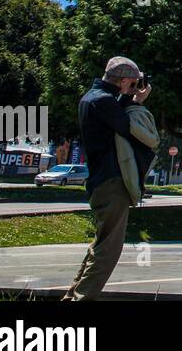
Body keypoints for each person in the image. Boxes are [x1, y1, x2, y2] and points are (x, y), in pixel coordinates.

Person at [62, 56, 154, 301]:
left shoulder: (92, 98)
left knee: (101, 245)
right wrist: (138, 102)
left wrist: (127, 97)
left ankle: (73, 296)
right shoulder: (103, 102)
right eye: (132, 82)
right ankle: (82, 299)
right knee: (108, 250)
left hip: (100, 179)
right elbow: (126, 126)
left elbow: (114, 117)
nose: (135, 86)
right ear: (123, 80)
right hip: (112, 181)